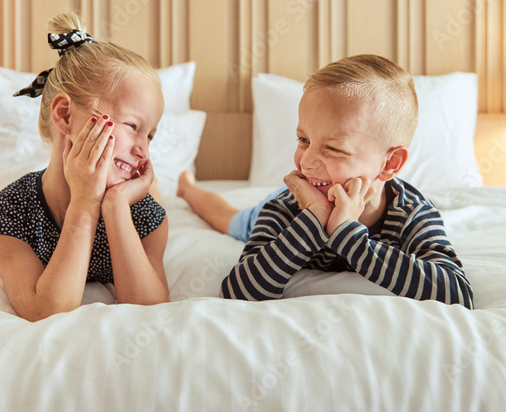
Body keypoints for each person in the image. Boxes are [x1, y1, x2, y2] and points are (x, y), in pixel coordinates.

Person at [180, 54, 472, 307]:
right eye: (304, 139)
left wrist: (348, 235)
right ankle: (188, 187)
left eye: (332, 148)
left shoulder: (412, 213)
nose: (305, 163)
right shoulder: (285, 208)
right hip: (294, 205)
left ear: (390, 164)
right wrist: (313, 220)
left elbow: (457, 293)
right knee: (230, 220)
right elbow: (237, 292)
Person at [0, 12, 169, 320]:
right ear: (65, 115)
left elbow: (150, 311)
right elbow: (48, 310)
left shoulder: (145, 217)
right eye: (132, 125)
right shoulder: (8, 214)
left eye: (150, 136)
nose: (143, 149)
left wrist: (117, 204)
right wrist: (84, 201)